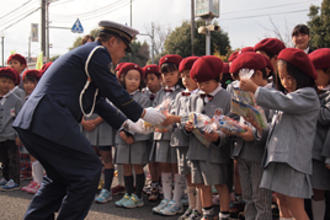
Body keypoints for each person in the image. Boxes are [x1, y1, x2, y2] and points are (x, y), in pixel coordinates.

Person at [13, 20, 167, 220]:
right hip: (49, 120)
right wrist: (145, 114)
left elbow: (100, 101)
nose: (124, 54)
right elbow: (114, 91)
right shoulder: (98, 53)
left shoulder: (87, 56)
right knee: (90, 169)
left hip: (35, 121)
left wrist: (127, 124)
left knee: (59, 178)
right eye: (124, 47)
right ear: (112, 41)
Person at [240, 48, 320, 220]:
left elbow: (282, 101)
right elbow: (274, 130)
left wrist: (256, 89)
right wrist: (259, 126)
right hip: (277, 157)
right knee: (281, 200)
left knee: (295, 205)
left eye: (290, 78)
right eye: (282, 77)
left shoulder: (308, 96)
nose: (285, 82)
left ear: (302, 76)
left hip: (292, 160)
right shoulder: (290, 98)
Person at [185, 56, 232, 220]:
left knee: (220, 183)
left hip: (216, 150)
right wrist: (188, 126)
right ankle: (207, 213)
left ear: (218, 78)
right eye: (199, 83)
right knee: (200, 183)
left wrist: (218, 137)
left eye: (206, 83)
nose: (202, 87)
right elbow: (187, 117)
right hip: (196, 148)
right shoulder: (194, 97)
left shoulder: (227, 98)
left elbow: (232, 123)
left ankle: (224, 213)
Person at [229, 52, 273, 220]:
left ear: (259, 75)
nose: (241, 84)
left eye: (244, 78)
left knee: (260, 199)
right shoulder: (243, 93)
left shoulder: (270, 95)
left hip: (259, 155)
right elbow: (242, 117)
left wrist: (254, 134)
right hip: (243, 151)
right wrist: (232, 126)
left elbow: (270, 126)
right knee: (248, 198)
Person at [167, 56, 203, 219]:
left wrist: (176, 119)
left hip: (195, 142)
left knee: (197, 176)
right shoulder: (180, 95)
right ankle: (191, 205)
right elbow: (174, 114)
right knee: (187, 175)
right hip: (181, 140)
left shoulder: (201, 95)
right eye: (183, 75)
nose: (185, 79)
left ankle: (201, 208)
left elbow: (195, 117)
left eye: (189, 75)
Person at [150, 54, 185, 216]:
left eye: (172, 73)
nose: (168, 77)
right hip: (160, 134)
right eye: (165, 74)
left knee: (175, 166)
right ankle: (167, 197)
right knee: (163, 164)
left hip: (176, 134)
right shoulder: (159, 93)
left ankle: (177, 200)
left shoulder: (182, 92)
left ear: (179, 74)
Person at [114, 62, 151, 208]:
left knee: (137, 166)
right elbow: (114, 116)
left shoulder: (144, 98)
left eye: (137, 78)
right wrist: (122, 132)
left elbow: (144, 119)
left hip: (138, 138)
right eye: (130, 78)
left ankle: (138, 196)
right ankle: (128, 193)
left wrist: (132, 134)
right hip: (121, 137)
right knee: (126, 166)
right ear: (123, 78)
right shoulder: (118, 97)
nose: (133, 81)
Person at [308, 48, 330, 220]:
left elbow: (325, 116)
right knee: (315, 191)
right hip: (312, 151)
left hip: (323, 152)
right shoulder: (316, 91)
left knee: (320, 190)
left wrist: (310, 102)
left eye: (316, 72)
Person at [19, 69, 45, 194]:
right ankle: (36, 180)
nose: (28, 85)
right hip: (29, 132)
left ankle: (40, 182)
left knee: (39, 156)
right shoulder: (26, 98)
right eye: (26, 82)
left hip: (38, 132)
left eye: (31, 82)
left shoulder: (40, 98)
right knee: (32, 157)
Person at [142, 64, 163, 201]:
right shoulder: (144, 94)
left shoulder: (164, 93)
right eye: (147, 80)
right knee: (151, 160)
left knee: (161, 160)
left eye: (152, 78)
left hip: (161, 131)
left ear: (159, 78)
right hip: (147, 131)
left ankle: (163, 185)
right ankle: (154, 184)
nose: (149, 82)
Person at [0, 67, 23, 191]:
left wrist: (19, 135)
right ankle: (6, 177)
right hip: (1, 135)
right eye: (3, 81)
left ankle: (14, 180)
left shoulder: (16, 100)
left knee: (13, 158)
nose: (6, 85)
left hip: (12, 135)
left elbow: (20, 118)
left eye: (9, 82)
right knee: (3, 159)